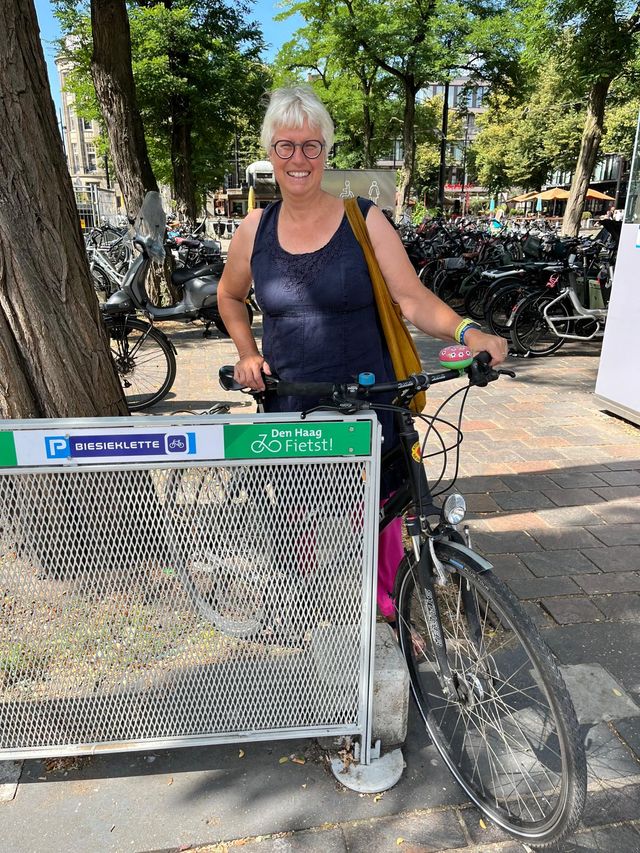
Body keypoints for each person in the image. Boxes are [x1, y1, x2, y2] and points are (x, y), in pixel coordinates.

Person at [217, 85, 508, 621]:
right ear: (270, 152)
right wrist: (246, 352)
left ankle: (389, 612)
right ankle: (316, 618)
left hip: (370, 398)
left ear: (326, 151)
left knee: (380, 514)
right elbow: (229, 296)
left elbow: (413, 297)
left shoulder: (363, 218)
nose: (298, 158)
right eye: (285, 146)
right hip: (291, 400)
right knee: (297, 522)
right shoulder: (253, 230)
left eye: (311, 146)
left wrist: (470, 332)